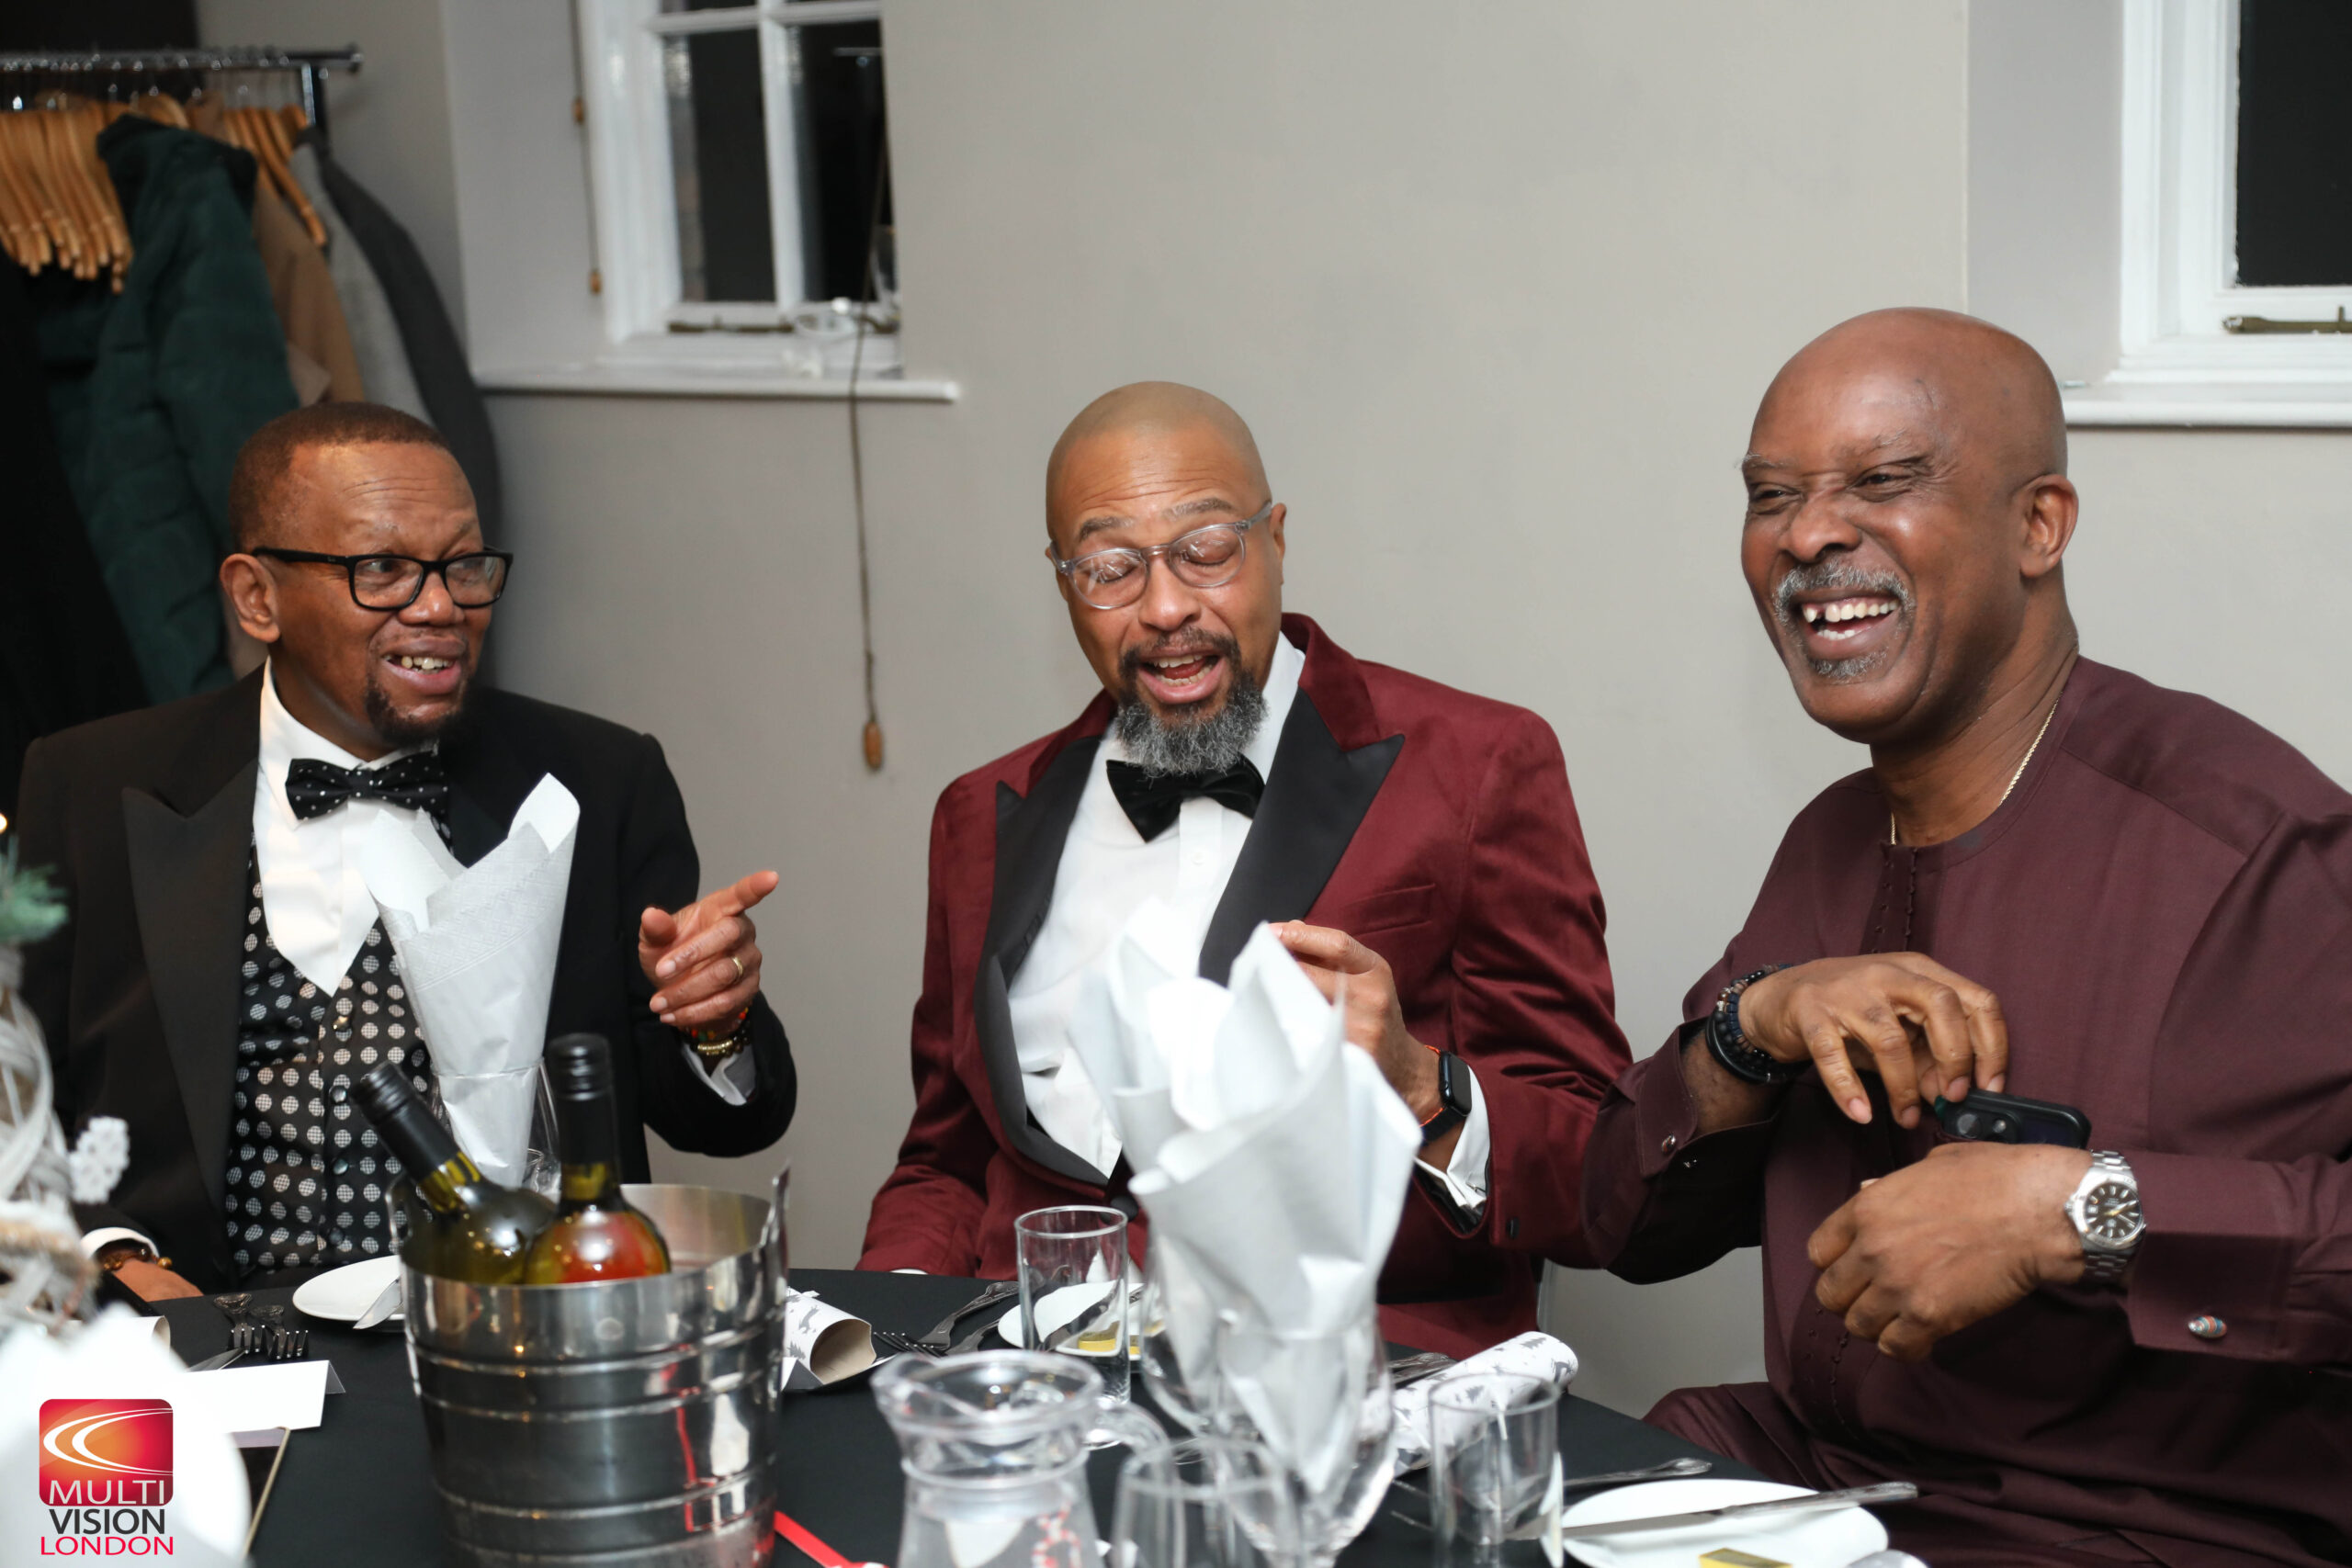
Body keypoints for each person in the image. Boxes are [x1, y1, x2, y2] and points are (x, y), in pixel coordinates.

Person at [1582, 310, 2352, 1565]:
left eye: (1884, 479)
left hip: (2131, 1531)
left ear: (2038, 524)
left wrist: (2084, 1209)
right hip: (1816, 1484)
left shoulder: (2254, 850)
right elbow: (1625, 1223)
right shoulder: (1831, 840)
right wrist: (1748, 1027)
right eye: (1771, 495)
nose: (1808, 534)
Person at [859, 382, 1629, 1354]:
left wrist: (1422, 1085)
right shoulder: (978, 816)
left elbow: (1598, 1163)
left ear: (1276, 539)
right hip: (1025, 1384)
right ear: (1064, 585)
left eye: (1206, 549)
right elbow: (946, 1162)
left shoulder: (1478, 767)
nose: (1166, 607)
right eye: (1110, 568)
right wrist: (889, 1332)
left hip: (1343, 1385)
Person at [15, 402, 797, 1302]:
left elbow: (724, 1126)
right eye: (381, 569)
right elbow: (19, 1098)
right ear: (257, 597)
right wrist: (114, 1257)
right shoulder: (93, 786)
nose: (440, 607)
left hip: (510, 1326)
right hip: (200, 1336)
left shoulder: (596, 779)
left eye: (464, 566)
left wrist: (712, 1020)